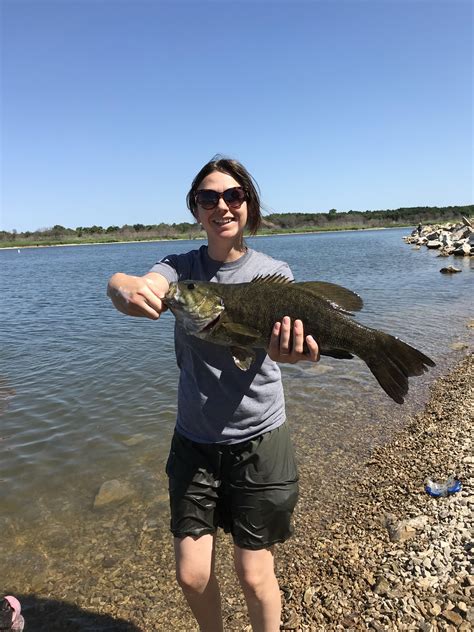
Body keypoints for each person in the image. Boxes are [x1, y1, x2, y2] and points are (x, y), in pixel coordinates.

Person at [107, 156, 320, 632]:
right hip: (195, 441)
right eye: (208, 198)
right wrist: (122, 286)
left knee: (254, 572)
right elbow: (138, 286)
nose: (221, 206)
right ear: (197, 209)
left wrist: (298, 354)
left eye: (233, 196)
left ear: (249, 204)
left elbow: (302, 349)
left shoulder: (274, 272)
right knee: (191, 573)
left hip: (258, 439)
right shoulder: (182, 270)